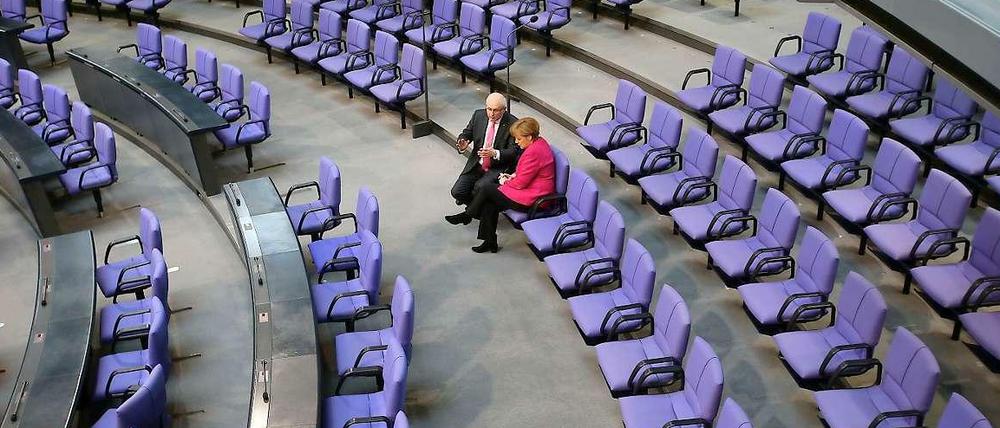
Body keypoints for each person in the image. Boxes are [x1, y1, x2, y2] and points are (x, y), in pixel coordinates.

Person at [445, 117, 555, 253]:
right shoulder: (538, 143)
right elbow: (527, 172)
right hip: (530, 188)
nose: (516, 142)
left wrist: (505, 181)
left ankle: (468, 214)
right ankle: (489, 241)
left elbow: (520, 184)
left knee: (487, 189)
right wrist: (512, 176)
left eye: (519, 139)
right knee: (490, 200)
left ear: (530, 137)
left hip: (535, 198)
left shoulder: (534, 152)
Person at [450, 93, 520, 206]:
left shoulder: (513, 123)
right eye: (489, 109)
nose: (491, 114)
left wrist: (495, 153)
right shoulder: (478, 115)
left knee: (480, 187)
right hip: (477, 163)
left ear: (504, 110)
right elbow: (467, 133)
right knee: (457, 192)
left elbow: (514, 150)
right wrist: (463, 141)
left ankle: (473, 211)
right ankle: (477, 209)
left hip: (497, 166)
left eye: (496, 110)